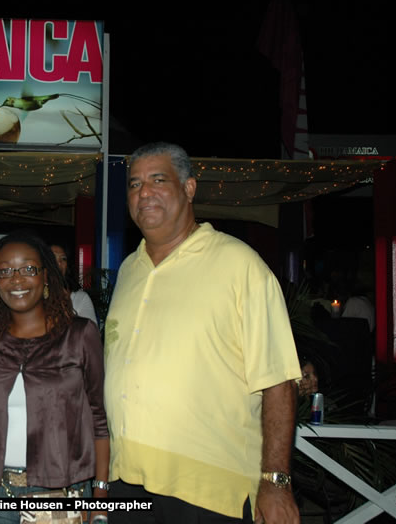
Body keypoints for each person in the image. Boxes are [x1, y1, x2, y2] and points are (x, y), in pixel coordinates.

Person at [104, 142, 302, 524]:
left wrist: (275, 482)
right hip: (126, 482)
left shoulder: (238, 264)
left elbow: (278, 381)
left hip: (209, 490)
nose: (143, 193)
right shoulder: (130, 269)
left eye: (158, 180)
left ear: (189, 188)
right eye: (133, 184)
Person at [0, 232, 109, 524]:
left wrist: (100, 494)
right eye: (4, 271)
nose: (16, 279)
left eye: (28, 269)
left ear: (46, 275)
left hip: (58, 490)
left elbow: (98, 419)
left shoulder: (80, 334)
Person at [49, 242, 97, 325]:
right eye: (52, 258)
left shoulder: (80, 298)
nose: (59, 263)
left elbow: (91, 335)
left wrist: (67, 309)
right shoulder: (32, 298)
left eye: (63, 259)